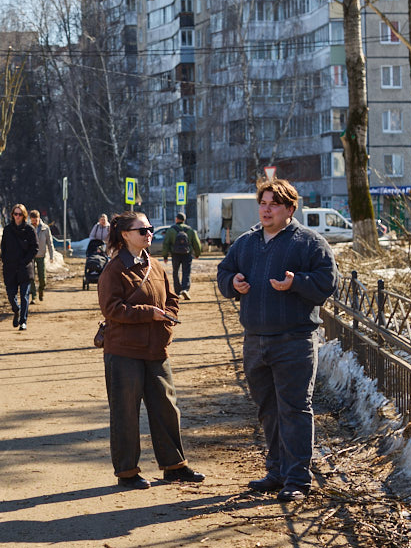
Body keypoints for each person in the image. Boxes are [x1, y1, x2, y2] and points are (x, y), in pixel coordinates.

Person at [216, 178, 338, 502]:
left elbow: (328, 282)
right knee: (267, 408)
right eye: (263, 203)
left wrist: (297, 282)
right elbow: (224, 273)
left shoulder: (309, 242)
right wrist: (233, 283)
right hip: (255, 340)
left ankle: (298, 478)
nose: (266, 209)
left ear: (289, 209)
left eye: (273, 204)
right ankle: (276, 471)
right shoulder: (246, 242)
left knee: (295, 408)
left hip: (294, 340)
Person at [97, 210, 204, 490]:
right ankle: (127, 471)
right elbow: (112, 309)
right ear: (125, 235)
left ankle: (174, 466)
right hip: (124, 352)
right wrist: (149, 313)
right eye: (142, 230)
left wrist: (166, 323)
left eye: (150, 229)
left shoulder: (155, 266)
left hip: (156, 349)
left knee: (167, 408)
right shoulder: (113, 269)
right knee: (125, 412)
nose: (149, 234)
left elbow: (172, 299)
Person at [0, 204, 38, 330]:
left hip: (25, 268)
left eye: (20, 214)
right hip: (10, 268)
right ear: (12, 215)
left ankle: (23, 321)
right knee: (11, 295)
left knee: (24, 296)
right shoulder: (7, 230)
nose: (17, 216)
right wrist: (5, 260)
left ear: (24, 216)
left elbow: (34, 248)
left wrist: (25, 261)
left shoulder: (29, 230)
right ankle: (16, 310)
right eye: (15, 214)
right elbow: (3, 247)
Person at [161, 212, 201, 300]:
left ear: (177, 219)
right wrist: (197, 254)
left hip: (175, 254)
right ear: (184, 220)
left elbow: (166, 243)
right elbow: (196, 243)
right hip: (187, 254)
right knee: (186, 271)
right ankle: (185, 289)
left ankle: (178, 292)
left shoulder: (171, 230)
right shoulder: (190, 230)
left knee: (175, 272)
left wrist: (165, 256)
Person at [27, 210, 55, 303]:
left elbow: (50, 243)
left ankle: (41, 290)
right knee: (31, 277)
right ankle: (34, 296)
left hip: (41, 255)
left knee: (42, 278)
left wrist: (51, 256)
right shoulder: (28, 228)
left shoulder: (45, 228)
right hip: (30, 256)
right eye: (33, 220)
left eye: (36, 220)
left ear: (39, 218)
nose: (34, 222)